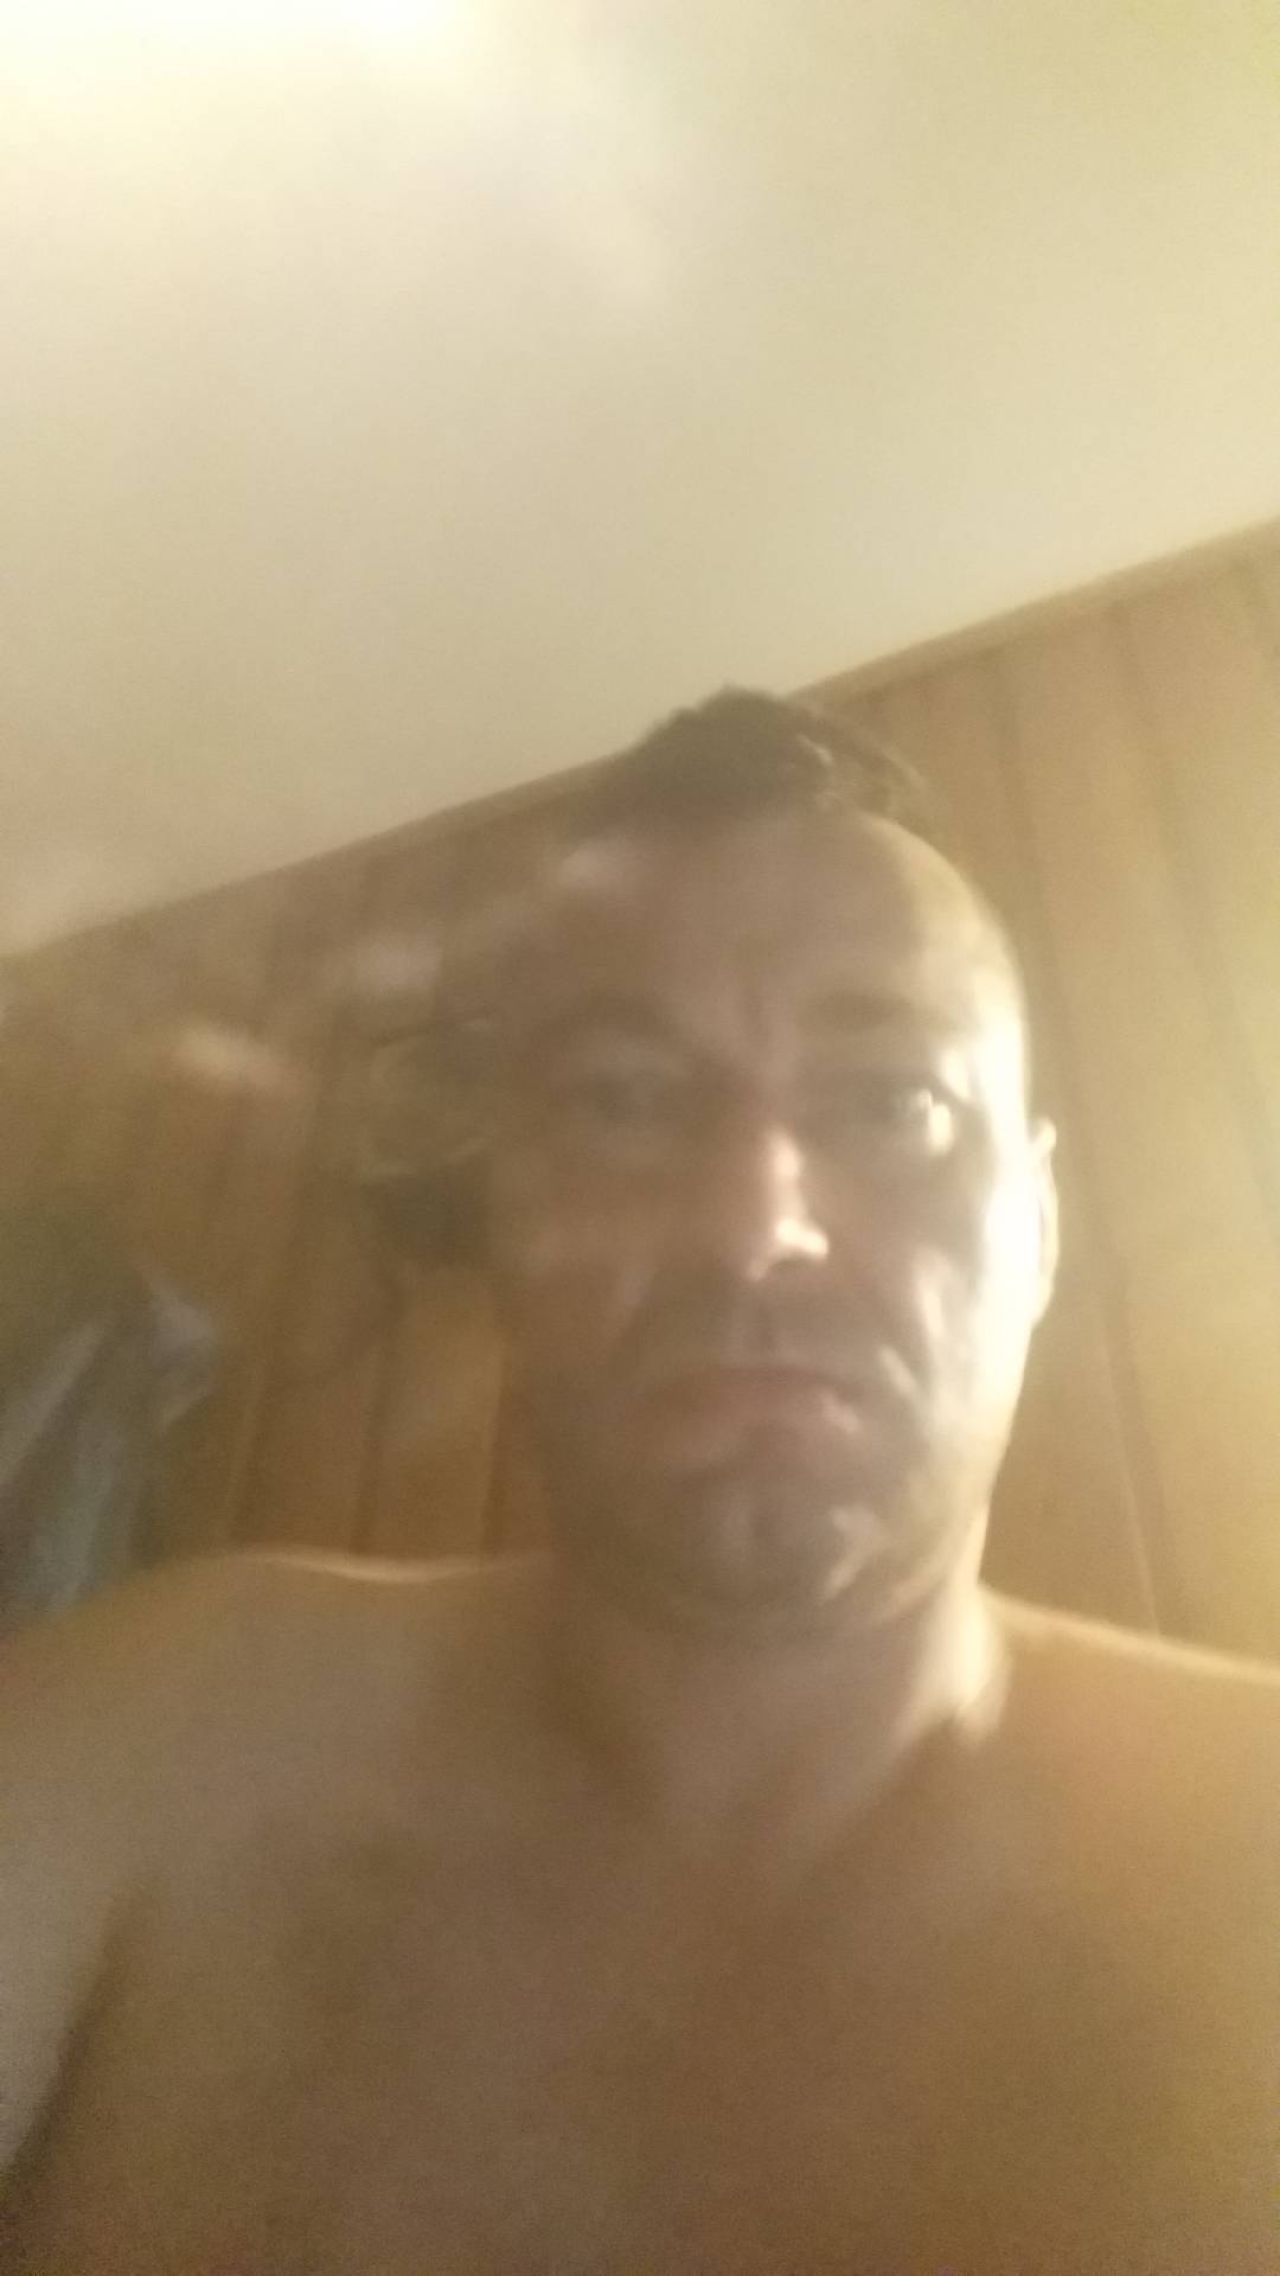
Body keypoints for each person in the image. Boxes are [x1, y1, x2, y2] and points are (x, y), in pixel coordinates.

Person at [1, 691, 1276, 2274]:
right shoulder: (162, 1745)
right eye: (621, 1098)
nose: (754, 1230)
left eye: (892, 1100)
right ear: (504, 1215)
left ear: (1038, 1232)